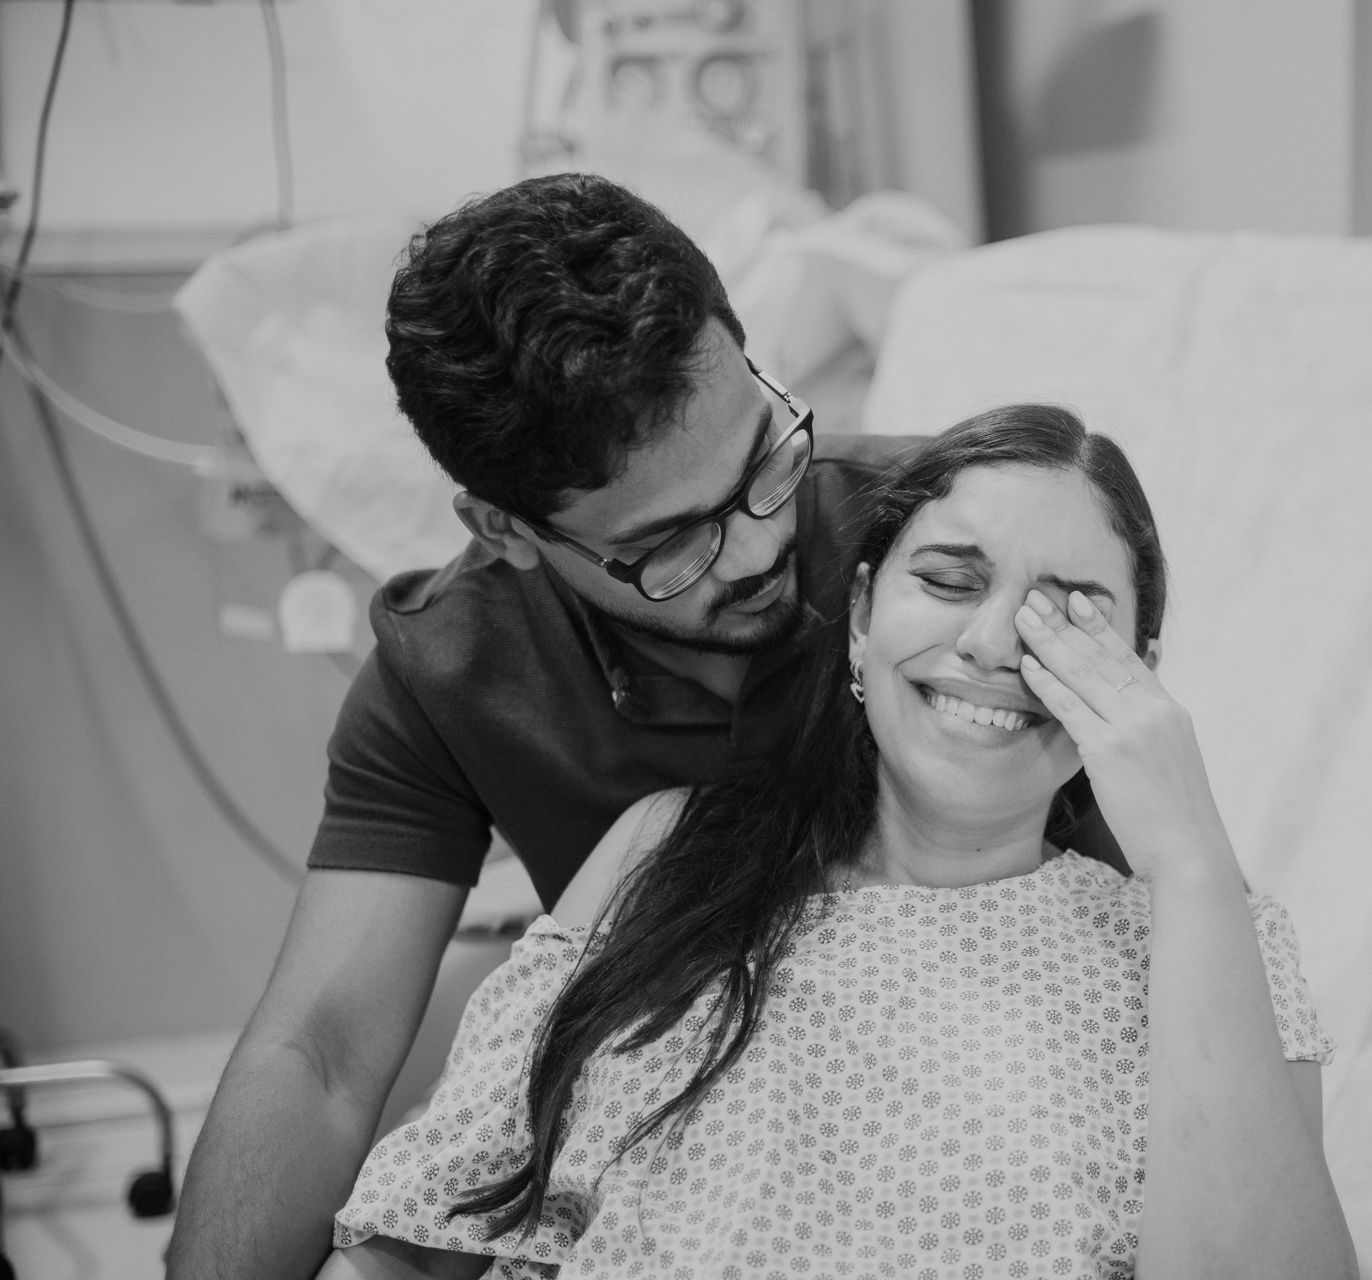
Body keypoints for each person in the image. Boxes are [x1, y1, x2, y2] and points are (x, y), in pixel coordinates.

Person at [167, 175, 1132, 1279]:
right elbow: (322, 1055)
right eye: (673, 544)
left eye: (765, 457)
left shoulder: (939, 557)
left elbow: (1144, 934)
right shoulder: (448, 675)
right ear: (507, 531)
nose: (760, 548)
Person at [317, 407, 1358, 1280]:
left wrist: (1188, 854)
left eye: (1069, 616)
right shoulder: (665, 854)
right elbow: (421, 1239)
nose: (993, 644)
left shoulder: (1208, 942)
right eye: (949, 581)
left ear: (1141, 673)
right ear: (861, 617)